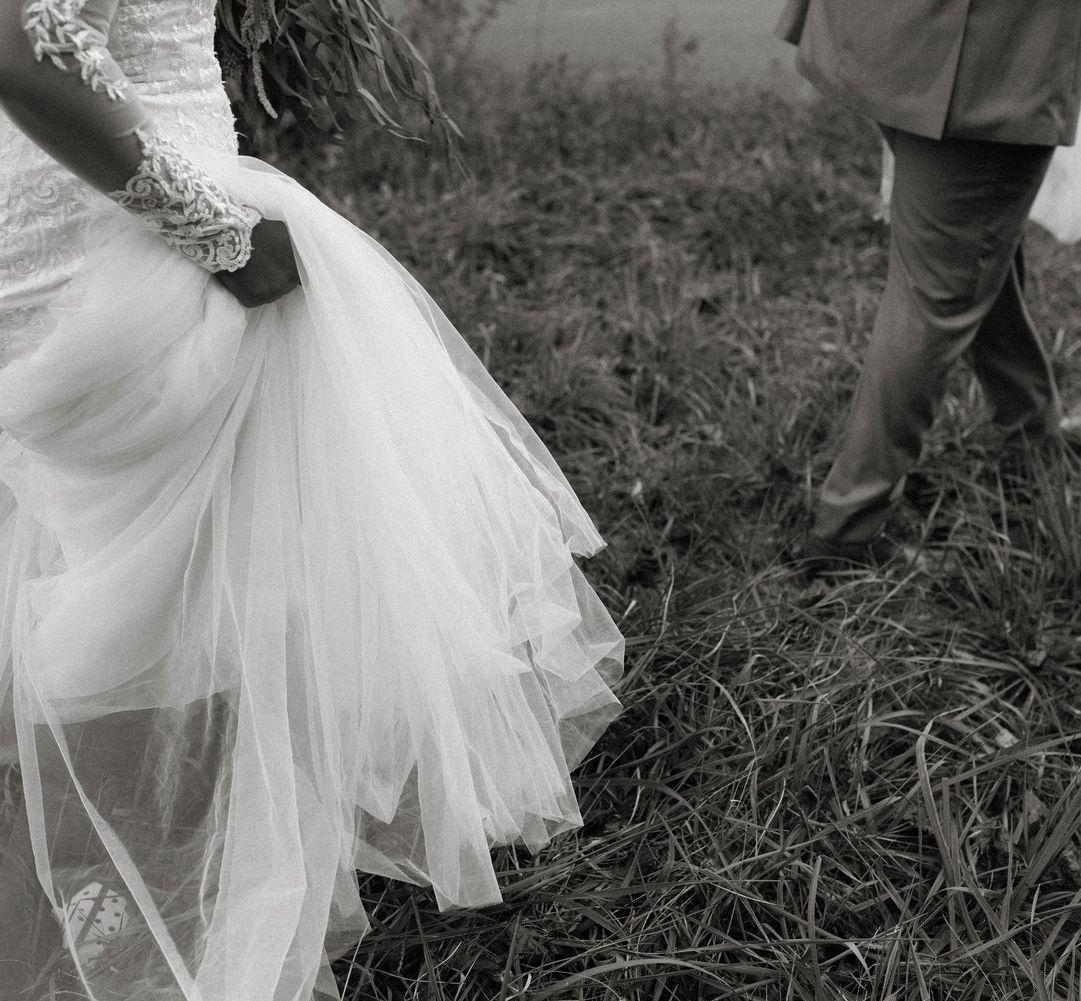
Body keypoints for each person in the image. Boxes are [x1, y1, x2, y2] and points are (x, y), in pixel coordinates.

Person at [0, 0, 625, 998]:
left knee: (104, 595)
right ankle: (132, 946)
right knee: (154, 631)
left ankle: (105, 914)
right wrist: (218, 235)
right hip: (126, 246)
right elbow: (25, 48)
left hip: (72, 222)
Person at [777, 0, 1081, 572]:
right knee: (942, 287)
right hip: (990, 58)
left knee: (969, 247)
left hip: (904, 36)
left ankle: (1032, 433)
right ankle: (848, 532)